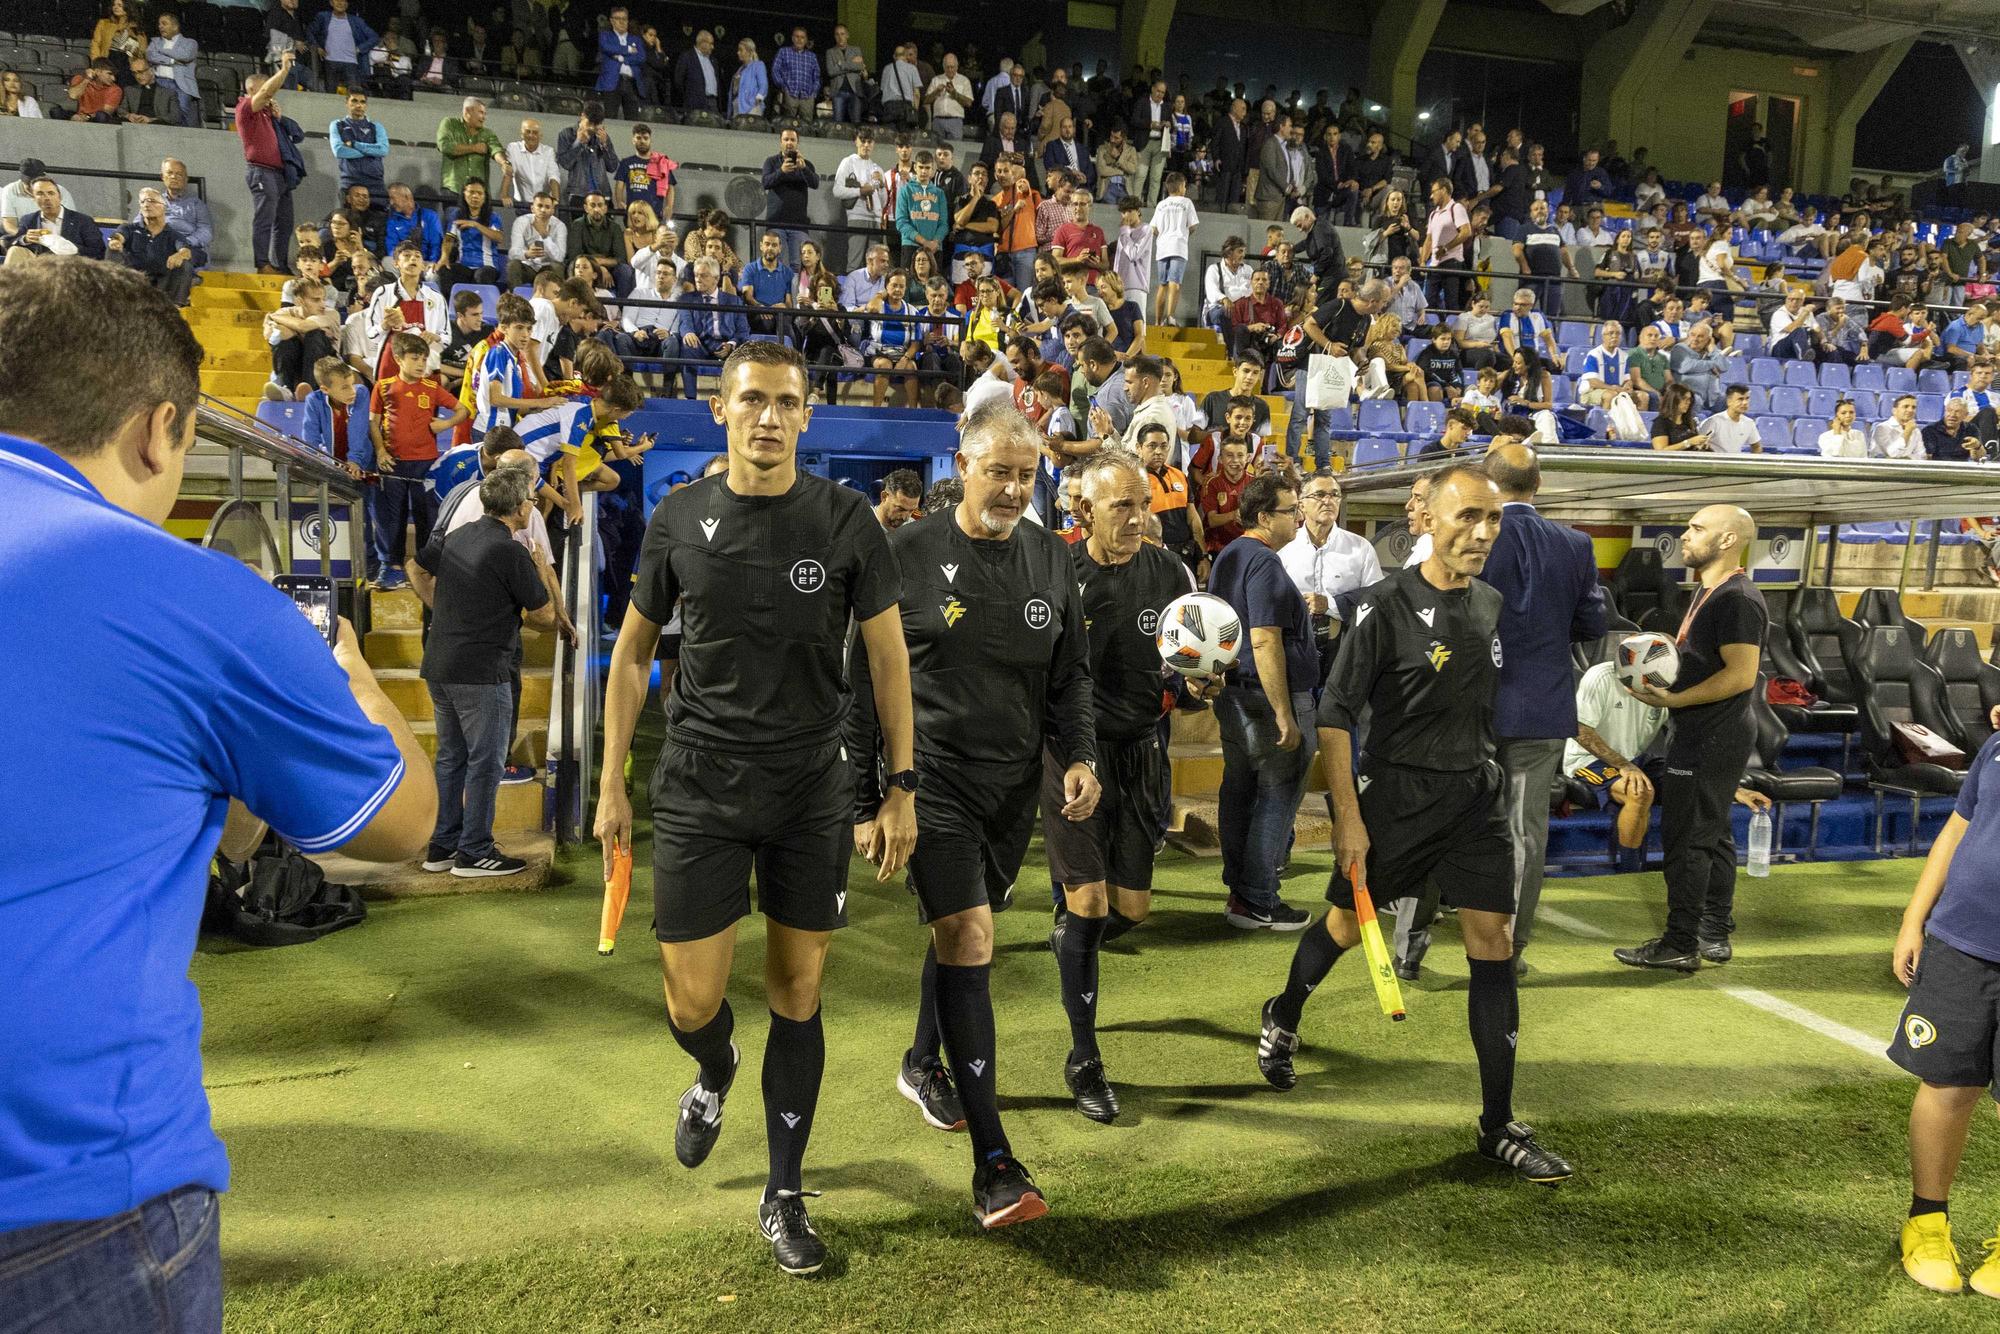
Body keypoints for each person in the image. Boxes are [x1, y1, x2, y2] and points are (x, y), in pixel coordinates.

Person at [0, 257, 433, 1331]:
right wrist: (349, 669)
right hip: (70, 1198)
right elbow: (400, 818)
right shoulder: (187, 593)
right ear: (160, 430)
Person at [594, 342, 913, 1276]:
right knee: (692, 1001)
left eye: (785, 403)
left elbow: (889, 661)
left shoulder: (850, 521)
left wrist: (900, 785)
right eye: (751, 402)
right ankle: (715, 1068)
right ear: (720, 411)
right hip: (699, 782)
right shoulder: (677, 519)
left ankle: (783, 1193)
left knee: (797, 993)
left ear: (807, 416)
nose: (768, 418)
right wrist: (612, 780)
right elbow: (628, 658)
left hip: (811, 785)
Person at [1256, 463, 1576, 1184]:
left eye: (1492, 519)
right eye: (1468, 517)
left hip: (1474, 799)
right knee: (1342, 928)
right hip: (1396, 801)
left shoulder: (1492, 604)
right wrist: (1349, 822)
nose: (1482, 532)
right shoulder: (1381, 604)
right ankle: (1283, 1010)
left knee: (1492, 941)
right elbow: (1336, 717)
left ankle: (1497, 1125)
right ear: (1426, 520)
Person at [846, 399, 1099, 1229]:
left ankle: (923, 1061)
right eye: (999, 472)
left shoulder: (1050, 558)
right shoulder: (905, 553)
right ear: (961, 464)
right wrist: (870, 796)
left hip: (1011, 786)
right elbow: (863, 683)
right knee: (972, 938)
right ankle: (996, 1164)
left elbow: (1071, 675)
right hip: (929, 783)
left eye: (1027, 476)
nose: (1014, 490)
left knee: (962, 928)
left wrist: (1083, 755)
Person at [1043, 448, 1208, 1120]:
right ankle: (1085, 1060)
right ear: (1084, 510)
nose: (1139, 517)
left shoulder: (1167, 569)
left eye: (1144, 505)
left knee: (1129, 911)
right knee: (1087, 903)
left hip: (1142, 750)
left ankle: (1070, 939)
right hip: (1074, 754)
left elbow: (1188, 663)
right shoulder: (1058, 570)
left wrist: (1197, 680)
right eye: (1123, 506)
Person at [1615, 505, 1767, 971]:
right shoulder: (1710, 592)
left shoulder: (1735, 598)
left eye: (1696, 528)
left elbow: (1741, 676)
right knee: (1712, 831)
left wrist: (1674, 702)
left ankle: (1680, 941)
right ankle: (1713, 932)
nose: (1684, 535)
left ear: (1727, 541)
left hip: (1710, 735)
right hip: (1710, 732)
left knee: (1687, 839)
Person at [1889, 709, 2000, 1296]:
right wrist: (1914, 919)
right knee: (1948, 1086)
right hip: (1962, 942)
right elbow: (1957, 830)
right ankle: (1926, 1222)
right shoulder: (1999, 745)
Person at [408, 465, 553, 878]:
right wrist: (540, 570)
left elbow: (415, 568)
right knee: (486, 762)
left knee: (452, 758)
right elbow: (543, 617)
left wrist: (444, 609)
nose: (534, 503)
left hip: (440, 664)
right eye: (530, 497)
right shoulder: (511, 551)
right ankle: (474, 852)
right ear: (517, 508)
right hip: (481, 670)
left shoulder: (458, 534)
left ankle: (442, 847)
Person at [1208, 472, 1315, 930]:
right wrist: (1283, 712)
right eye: (1292, 510)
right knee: (1277, 796)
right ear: (1265, 516)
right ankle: (1257, 898)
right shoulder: (1264, 562)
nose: (1300, 517)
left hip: (1237, 694)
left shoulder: (1229, 555)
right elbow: (1265, 638)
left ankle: (1241, 892)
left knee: (1241, 791)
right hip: (1265, 697)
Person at [1280, 472, 1382, 688]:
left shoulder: (1360, 548)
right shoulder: (1283, 547)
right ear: (1302, 504)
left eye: (1334, 495)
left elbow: (1378, 599)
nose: (1328, 501)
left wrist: (1330, 604)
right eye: (1319, 495)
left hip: (1344, 659)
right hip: (1293, 658)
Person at [237, 56, 298, 276]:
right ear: (252, 89)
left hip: (280, 174)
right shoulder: (245, 107)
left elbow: (297, 134)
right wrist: (283, 71)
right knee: (264, 218)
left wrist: (279, 118)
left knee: (284, 222)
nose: (271, 94)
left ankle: (279, 264)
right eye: (265, 89)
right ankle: (262, 263)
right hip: (261, 171)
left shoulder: (268, 114)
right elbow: (266, 93)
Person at [110, 187, 205, 308]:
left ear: (163, 206)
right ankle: (112, 297)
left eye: (151, 200)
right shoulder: (129, 229)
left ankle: (175, 308)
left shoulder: (173, 235)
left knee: (184, 264)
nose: (146, 205)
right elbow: (119, 236)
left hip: (161, 284)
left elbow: (184, 249)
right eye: (142, 202)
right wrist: (116, 241)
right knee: (113, 249)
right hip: (132, 283)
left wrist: (180, 255)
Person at [761, 129, 821, 269]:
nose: (789, 143)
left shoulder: (806, 164)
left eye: (792, 140)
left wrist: (804, 169)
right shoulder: (771, 162)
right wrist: (781, 171)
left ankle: (797, 292)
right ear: (780, 142)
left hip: (799, 224)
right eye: (786, 139)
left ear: (797, 143)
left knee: (799, 265)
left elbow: (815, 183)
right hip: (776, 222)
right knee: (775, 264)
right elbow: (765, 182)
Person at [329, 91, 389, 207]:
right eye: (354, 101)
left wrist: (355, 144)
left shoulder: (376, 126)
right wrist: (371, 151)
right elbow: (339, 151)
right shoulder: (338, 125)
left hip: (375, 183)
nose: (358, 105)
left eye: (362, 102)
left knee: (377, 221)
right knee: (351, 222)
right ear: (347, 103)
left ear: (366, 105)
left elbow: (383, 150)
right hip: (350, 182)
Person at [146, 12, 200, 126]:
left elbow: (185, 56)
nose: (160, 26)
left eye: (164, 23)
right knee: (161, 115)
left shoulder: (190, 43)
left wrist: (162, 50)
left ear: (175, 26)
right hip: (159, 83)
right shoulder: (155, 41)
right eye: (159, 24)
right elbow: (150, 55)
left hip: (181, 85)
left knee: (180, 115)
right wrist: (171, 61)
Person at [595, 6, 645, 118]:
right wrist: (628, 50)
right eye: (618, 18)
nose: (622, 22)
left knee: (633, 119)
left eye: (624, 19)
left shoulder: (636, 39)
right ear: (612, 21)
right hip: (612, 82)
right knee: (610, 117)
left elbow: (641, 57)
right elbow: (607, 48)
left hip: (632, 83)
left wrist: (622, 58)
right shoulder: (605, 36)